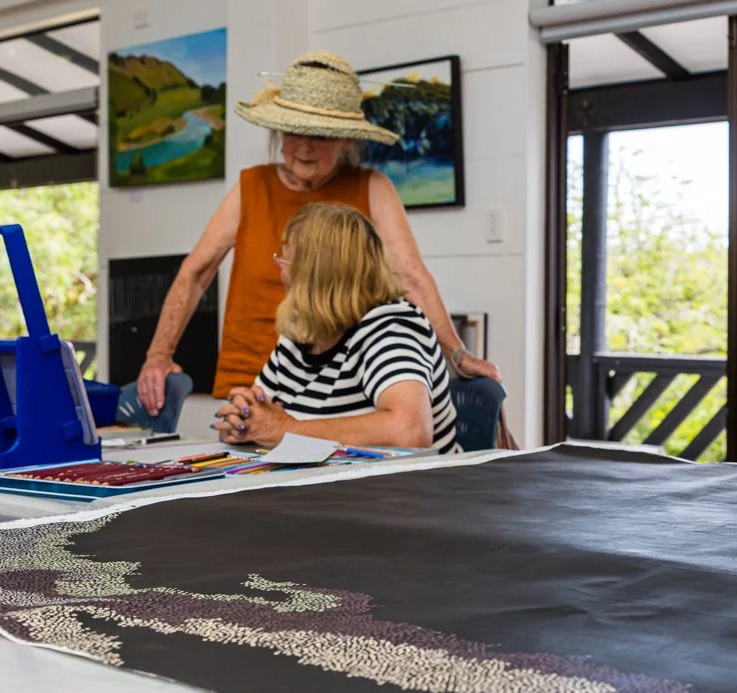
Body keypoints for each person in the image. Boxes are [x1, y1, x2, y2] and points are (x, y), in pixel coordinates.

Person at [136, 52, 499, 415]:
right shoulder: (251, 186)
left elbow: (412, 278)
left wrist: (457, 353)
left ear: (345, 140)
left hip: (340, 387)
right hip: (253, 379)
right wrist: (158, 356)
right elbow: (196, 271)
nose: (305, 147)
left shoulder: (372, 187)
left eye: (320, 135)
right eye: (295, 132)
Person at [213, 203, 457, 454]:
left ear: (315, 274)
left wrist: (283, 430)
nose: (280, 269)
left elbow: (409, 430)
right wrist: (242, 420)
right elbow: (260, 421)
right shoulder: (298, 335)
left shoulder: (391, 326)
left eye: (285, 258)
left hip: (407, 490)